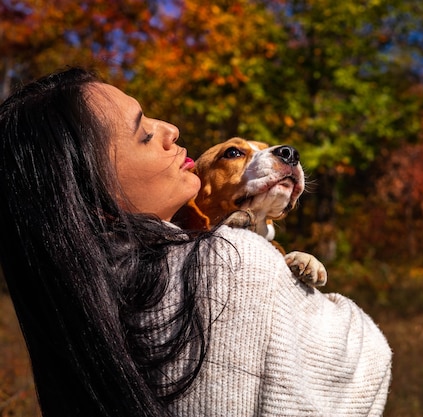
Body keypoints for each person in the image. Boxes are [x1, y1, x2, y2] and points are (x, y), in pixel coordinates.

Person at [0, 67, 392, 417]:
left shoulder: (77, 293)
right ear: (90, 194)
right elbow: (367, 365)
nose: (170, 129)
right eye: (144, 133)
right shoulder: (232, 265)